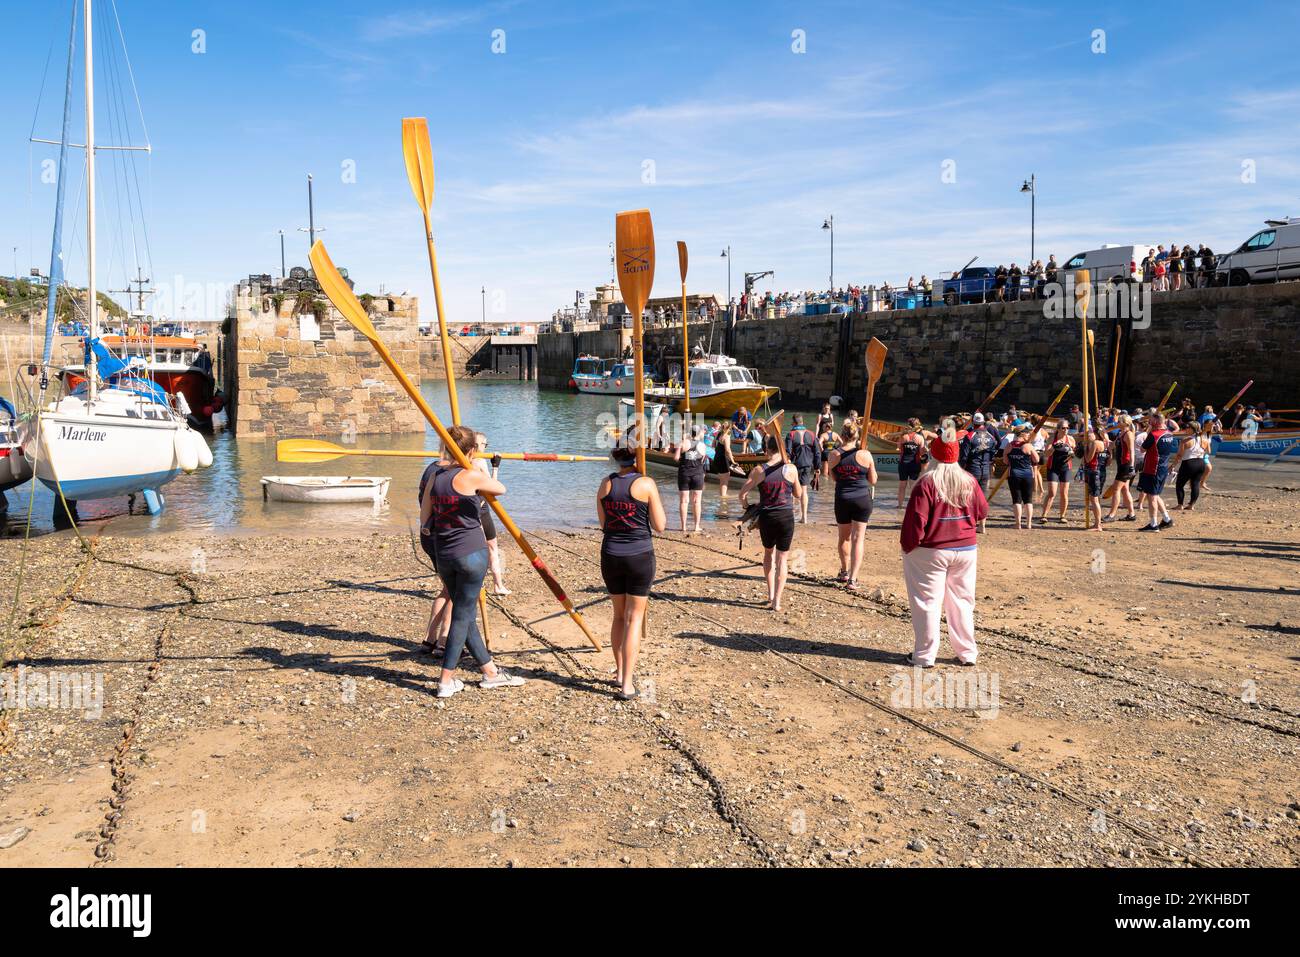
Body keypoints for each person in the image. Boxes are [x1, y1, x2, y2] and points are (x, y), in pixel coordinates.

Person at [419, 425, 526, 699]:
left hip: (444, 554)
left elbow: (424, 519)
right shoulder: (471, 477)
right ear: (470, 451)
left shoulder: (435, 477)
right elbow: (501, 488)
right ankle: (446, 680)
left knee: (466, 615)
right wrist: (476, 468)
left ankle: (490, 672)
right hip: (471, 553)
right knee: (462, 615)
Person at [900, 422, 989, 668]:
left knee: (927, 602)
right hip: (965, 548)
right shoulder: (968, 480)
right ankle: (967, 652)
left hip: (932, 549)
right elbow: (982, 511)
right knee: (962, 601)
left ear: (935, 455)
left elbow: (915, 521)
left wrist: (908, 546)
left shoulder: (927, 482)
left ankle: (925, 655)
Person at [597, 444, 667, 700]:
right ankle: (627, 684)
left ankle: (618, 672)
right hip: (639, 555)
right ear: (639, 458)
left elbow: (604, 524)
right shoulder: (646, 484)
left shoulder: (606, 483)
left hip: (611, 554)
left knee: (618, 616)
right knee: (633, 619)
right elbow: (660, 526)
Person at [738, 436, 802, 611]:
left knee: (769, 554)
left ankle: (771, 594)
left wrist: (747, 508)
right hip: (786, 517)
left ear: (767, 449)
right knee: (782, 559)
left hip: (767, 517)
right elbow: (798, 494)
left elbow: (742, 494)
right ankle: (777, 602)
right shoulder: (790, 468)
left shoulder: (759, 470)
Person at [828, 421, 877, 590]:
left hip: (843, 498)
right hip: (862, 498)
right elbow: (873, 480)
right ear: (857, 437)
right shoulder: (866, 454)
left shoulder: (833, 455)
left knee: (844, 537)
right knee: (858, 539)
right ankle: (853, 579)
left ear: (841, 436)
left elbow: (833, 478)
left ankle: (844, 571)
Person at [474, 432, 509, 595]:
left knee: (487, 548)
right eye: (484, 445)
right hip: (478, 510)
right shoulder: (479, 461)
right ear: (475, 446)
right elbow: (492, 488)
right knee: (486, 549)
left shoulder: (459, 461)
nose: (485, 448)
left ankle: (496, 585)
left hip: (477, 509)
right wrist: (495, 466)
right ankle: (496, 585)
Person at [1137, 412, 1180, 532]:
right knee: (1155, 495)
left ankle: (1153, 524)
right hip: (1162, 466)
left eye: (1150, 420)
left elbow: (1141, 449)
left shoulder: (1153, 435)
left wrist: (1148, 431)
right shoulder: (1169, 434)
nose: (1149, 422)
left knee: (1152, 497)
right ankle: (1166, 519)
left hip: (1152, 468)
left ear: (1156, 422)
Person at [958, 412, 1000, 531]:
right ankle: (982, 525)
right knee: (982, 498)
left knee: (968, 496)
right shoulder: (990, 437)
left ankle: (970, 522)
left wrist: (960, 469)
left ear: (973, 422)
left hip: (972, 468)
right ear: (983, 423)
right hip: (985, 468)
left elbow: (964, 456)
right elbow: (993, 451)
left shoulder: (969, 436)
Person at [1001, 424, 1040, 530]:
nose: (1028, 435)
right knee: (1028, 500)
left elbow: (1005, 461)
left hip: (1014, 475)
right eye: (1027, 433)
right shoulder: (1028, 446)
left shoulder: (1009, 445)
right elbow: (1036, 460)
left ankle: (1018, 524)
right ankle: (1028, 524)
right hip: (1027, 475)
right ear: (1023, 434)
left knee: (1016, 500)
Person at [785, 414, 821, 524]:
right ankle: (804, 518)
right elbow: (817, 453)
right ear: (802, 422)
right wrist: (817, 468)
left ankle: (790, 517)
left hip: (794, 466)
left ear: (794, 423)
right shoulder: (812, 434)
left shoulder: (790, 434)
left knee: (790, 491)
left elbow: (787, 452)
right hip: (807, 465)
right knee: (804, 491)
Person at [1103, 414, 1138, 522]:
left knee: (1116, 489)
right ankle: (1131, 514)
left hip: (1126, 465)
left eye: (1119, 422)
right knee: (1125, 490)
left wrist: (1132, 467)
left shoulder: (1129, 434)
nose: (1117, 423)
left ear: (1125, 423)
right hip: (1121, 465)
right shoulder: (1120, 433)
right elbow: (1113, 445)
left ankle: (1112, 515)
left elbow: (1132, 451)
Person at [673, 425, 708, 533]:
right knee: (697, 501)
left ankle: (683, 527)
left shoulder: (682, 443)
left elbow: (676, 458)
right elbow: (702, 459)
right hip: (698, 474)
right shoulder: (702, 445)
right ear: (698, 433)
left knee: (684, 501)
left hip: (684, 473)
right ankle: (696, 526)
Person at [1039, 421, 1075, 523]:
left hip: (1066, 468)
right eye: (1063, 428)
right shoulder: (1052, 439)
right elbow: (1046, 454)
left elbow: (1074, 453)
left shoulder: (1070, 439)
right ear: (1058, 429)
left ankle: (1062, 516)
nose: (1066, 430)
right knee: (1052, 493)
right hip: (1053, 468)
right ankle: (1044, 515)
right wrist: (1054, 447)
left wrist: (1072, 453)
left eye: (1067, 428)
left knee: (1064, 493)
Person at [1173, 420, 1212, 511]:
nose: (1186, 429)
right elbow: (1209, 451)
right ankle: (1191, 505)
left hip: (1188, 463)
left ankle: (1180, 505)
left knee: (1179, 485)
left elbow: (1179, 455)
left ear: (1192, 429)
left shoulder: (1185, 440)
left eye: (1188, 427)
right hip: (1201, 463)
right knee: (1195, 484)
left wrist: (1173, 465)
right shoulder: (1204, 439)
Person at [895, 417, 931, 507]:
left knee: (902, 486)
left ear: (908, 425)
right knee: (913, 487)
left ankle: (899, 506)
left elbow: (899, 448)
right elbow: (922, 452)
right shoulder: (920, 438)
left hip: (903, 464)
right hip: (914, 464)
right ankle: (913, 506)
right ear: (918, 426)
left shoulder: (903, 436)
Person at [1080, 420, 1110, 531]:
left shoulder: (1095, 443)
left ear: (1096, 433)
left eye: (1092, 432)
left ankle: (1098, 525)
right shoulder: (1107, 444)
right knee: (1096, 498)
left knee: (1094, 499)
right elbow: (1109, 461)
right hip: (1102, 471)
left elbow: (1088, 459)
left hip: (1093, 471)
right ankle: (1097, 523)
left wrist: (1085, 448)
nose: (1090, 433)